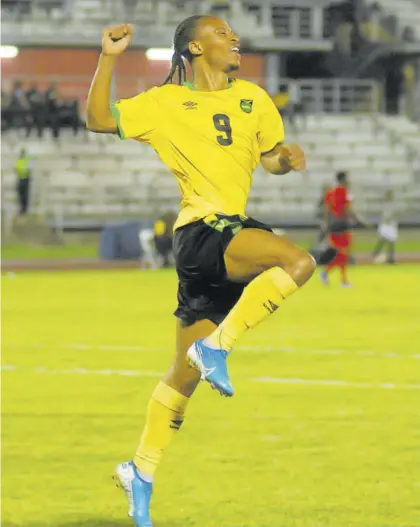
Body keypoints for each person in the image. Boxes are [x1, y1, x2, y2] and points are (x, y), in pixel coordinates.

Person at [86, 16, 315, 527]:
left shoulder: (254, 97)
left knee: (181, 379)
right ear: (195, 45)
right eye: (221, 31)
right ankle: (215, 348)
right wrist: (109, 57)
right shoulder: (165, 102)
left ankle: (139, 470)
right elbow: (99, 120)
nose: (233, 38)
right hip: (203, 229)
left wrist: (285, 159)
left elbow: (266, 158)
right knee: (297, 261)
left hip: (221, 238)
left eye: (233, 32)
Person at [321, 171, 367, 287]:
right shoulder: (344, 192)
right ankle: (328, 273)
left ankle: (342, 280)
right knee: (343, 254)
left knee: (342, 254)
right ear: (344, 179)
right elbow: (347, 209)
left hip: (333, 227)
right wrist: (358, 220)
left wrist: (326, 225)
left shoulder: (330, 193)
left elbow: (326, 211)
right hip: (342, 226)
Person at [372, 189, 398, 264]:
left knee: (391, 241)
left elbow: (394, 214)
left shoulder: (392, 205)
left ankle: (391, 257)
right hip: (386, 224)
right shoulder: (385, 205)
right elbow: (384, 215)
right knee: (383, 239)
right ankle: (376, 253)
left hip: (391, 224)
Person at [15, 148, 33, 215]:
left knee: (25, 195)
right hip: (20, 178)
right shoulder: (19, 160)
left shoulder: (27, 160)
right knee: (20, 193)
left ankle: (24, 209)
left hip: (25, 179)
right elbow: (16, 169)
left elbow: (29, 169)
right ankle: (22, 208)